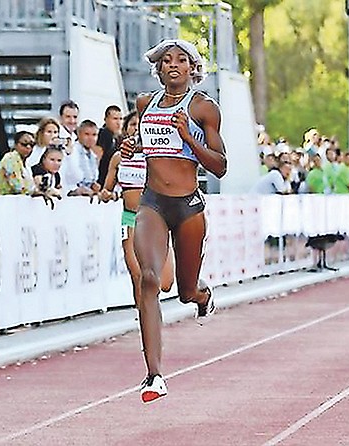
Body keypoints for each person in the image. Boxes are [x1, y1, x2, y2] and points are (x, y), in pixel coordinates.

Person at [120, 39, 227, 403]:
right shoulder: (144, 104)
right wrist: (130, 146)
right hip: (152, 204)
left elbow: (220, 166)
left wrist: (188, 138)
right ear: (159, 69)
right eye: (166, 60)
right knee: (148, 279)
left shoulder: (203, 108)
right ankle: (154, 376)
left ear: (192, 68)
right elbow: (135, 139)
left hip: (188, 206)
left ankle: (202, 295)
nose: (173, 65)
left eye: (181, 60)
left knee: (184, 291)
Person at [100, 110, 175, 316]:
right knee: (138, 275)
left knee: (165, 283)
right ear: (126, 129)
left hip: (156, 220)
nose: (137, 128)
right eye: (133, 124)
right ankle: (146, 322)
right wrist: (106, 194)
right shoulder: (117, 158)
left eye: (141, 125)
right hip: (130, 219)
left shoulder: (158, 156)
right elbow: (106, 188)